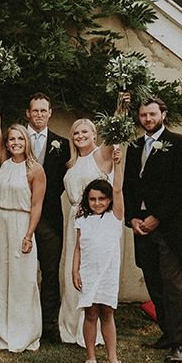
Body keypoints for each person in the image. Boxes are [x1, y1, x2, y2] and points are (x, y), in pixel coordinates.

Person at [123, 98, 182, 362]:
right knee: (154, 282)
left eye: (152, 114)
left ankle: (181, 343)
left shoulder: (180, 143)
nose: (148, 119)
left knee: (174, 285)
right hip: (142, 228)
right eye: (143, 115)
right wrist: (133, 219)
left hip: (169, 227)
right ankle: (167, 333)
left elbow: (180, 187)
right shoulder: (135, 146)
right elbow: (128, 185)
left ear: (163, 114)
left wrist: (156, 217)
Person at [0, 81, 45, 352]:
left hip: (22, 223)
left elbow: (36, 205)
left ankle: (25, 333)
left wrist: (29, 234)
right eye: (13, 139)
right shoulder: (2, 160)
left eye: (21, 138)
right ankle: (4, 333)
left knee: (23, 278)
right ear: (7, 144)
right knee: (0, 276)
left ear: (27, 141)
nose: (16, 142)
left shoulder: (35, 169)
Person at [73, 146, 129, 363]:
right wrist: (74, 271)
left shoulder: (114, 217)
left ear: (108, 201)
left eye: (101, 199)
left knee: (107, 313)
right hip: (88, 271)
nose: (97, 203)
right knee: (91, 313)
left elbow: (117, 189)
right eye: (92, 199)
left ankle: (113, 358)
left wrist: (117, 164)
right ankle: (91, 358)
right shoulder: (82, 220)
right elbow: (78, 247)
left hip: (107, 272)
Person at [59, 118, 112, 347]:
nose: (80, 136)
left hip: (95, 220)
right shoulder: (71, 162)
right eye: (76, 133)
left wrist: (121, 106)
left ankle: (91, 327)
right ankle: (71, 326)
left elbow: (115, 132)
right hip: (74, 219)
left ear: (94, 133)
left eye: (84, 132)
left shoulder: (100, 155)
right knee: (72, 269)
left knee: (90, 271)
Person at [25, 93, 68, 343]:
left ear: (50, 113)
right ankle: (25, 320)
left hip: (50, 217)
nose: (39, 115)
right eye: (35, 111)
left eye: (44, 111)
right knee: (23, 270)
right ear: (27, 113)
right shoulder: (17, 139)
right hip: (21, 216)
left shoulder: (62, 144)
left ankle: (49, 323)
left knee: (50, 272)